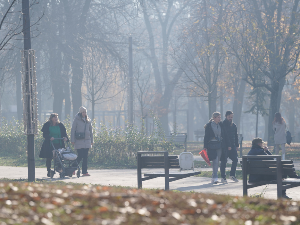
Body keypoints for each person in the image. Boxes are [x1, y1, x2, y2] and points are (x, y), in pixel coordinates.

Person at [39, 113, 68, 177]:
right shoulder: (47, 125)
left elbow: (64, 133)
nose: (56, 118)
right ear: (51, 118)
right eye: (54, 117)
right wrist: (49, 137)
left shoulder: (60, 125)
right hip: (49, 144)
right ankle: (49, 170)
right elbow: (44, 134)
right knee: (49, 157)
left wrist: (65, 138)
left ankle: (59, 168)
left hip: (59, 143)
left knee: (60, 156)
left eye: (57, 117)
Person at [71, 106, 93, 176]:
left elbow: (91, 131)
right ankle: (73, 168)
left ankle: (84, 172)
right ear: (80, 113)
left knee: (85, 157)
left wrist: (92, 140)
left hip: (87, 141)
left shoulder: (88, 121)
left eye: (85, 112)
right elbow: (73, 130)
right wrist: (72, 140)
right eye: (83, 112)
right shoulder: (76, 120)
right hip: (79, 140)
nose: (84, 113)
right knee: (80, 156)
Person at [204, 112, 224, 184]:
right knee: (214, 161)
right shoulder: (209, 125)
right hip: (211, 145)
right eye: (218, 117)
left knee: (217, 161)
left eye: (220, 117)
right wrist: (205, 147)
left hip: (219, 145)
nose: (220, 119)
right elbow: (206, 136)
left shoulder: (221, 124)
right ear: (214, 118)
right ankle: (215, 177)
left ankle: (214, 176)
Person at [220, 111, 239, 183]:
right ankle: (223, 177)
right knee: (224, 161)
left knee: (235, 159)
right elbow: (224, 136)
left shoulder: (233, 125)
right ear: (226, 116)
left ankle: (232, 175)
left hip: (233, 145)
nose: (230, 118)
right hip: (225, 146)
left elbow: (236, 136)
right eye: (229, 117)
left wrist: (237, 145)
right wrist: (228, 145)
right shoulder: (222, 124)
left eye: (231, 117)